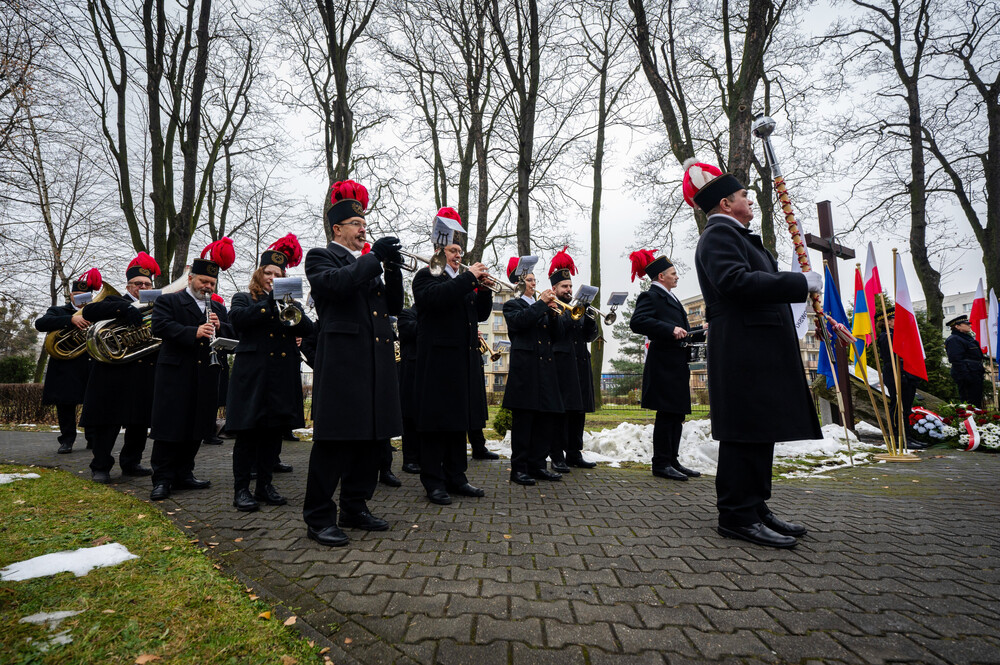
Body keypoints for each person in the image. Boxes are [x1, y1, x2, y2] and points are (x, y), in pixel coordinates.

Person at [687, 158, 823, 549]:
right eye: (744, 195)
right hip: (743, 346)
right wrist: (798, 281)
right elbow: (735, 282)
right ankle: (735, 515)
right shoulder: (718, 237)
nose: (751, 200)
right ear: (727, 203)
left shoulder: (740, 236)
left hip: (757, 344)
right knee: (744, 431)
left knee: (759, 429)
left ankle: (755, 504)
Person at [303, 180, 403, 547]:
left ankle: (355, 507)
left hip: (375, 362)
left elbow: (393, 306)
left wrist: (391, 270)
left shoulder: (368, 264)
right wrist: (374, 259)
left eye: (364, 225)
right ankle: (317, 517)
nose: (363, 230)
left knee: (370, 440)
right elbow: (334, 286)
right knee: (335, 442)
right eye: (357, 225)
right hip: (344, 363)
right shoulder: (321, 256)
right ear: (338, 229)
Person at [227, 234, 314, 512]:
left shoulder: (291, 304)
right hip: (253, 376)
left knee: (273, 433)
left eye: (278, 274)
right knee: (248, 433)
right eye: (268, 273)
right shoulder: (244, 298)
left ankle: (265, 485)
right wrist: (269, 303)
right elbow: (239, 322)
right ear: (259, 273)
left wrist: (292, 307)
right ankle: (241, 489)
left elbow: (308, 329)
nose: (272, 277)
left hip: (281, 376)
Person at [412, 207, 492, 505]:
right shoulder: (425, 276)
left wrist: (483, 289)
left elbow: (480, 314)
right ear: (439, 251)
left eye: (460, 250)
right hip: (437, 363)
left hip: (463, 362)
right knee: (436, 424)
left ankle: (457, 477)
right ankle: (434, 482)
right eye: (453, 250)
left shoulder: (464, 281)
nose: (458, 255)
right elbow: (435, 300)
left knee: (459, 423)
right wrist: (468, 279)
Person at [148, 238, 235, 501]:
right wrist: (193, 331)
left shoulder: (218, 307)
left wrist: (221, 327)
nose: (207, 287)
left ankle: (185, 473)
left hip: (206, 374)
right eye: (203, 282)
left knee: (198, 425)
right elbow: (159, 327)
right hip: (176, 373)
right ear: (191, 279)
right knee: (170, 427)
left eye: (212, 284)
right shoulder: (169, 302)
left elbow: (232, 336)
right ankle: (162, 478)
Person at [79, 253, 160, 482]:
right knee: (108, 422)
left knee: (140, 422)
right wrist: (123, 310)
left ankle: (131, 463)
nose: (142, 286)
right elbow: (88, 312)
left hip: (143, 372)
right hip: (112, 374)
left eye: (146, 284)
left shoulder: (156, 308)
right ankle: (101, 466)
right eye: (138, 284)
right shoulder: (114, 302)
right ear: (128, 286)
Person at [630, 250, 706, 482]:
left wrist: (700, 332)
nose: (677, 277)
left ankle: (672, 459)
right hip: (663, 363)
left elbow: (681, 331)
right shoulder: (650, 296)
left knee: (676, 415)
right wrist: (669, 329)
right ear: (661, 276)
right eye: (673, 273)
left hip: (677, 362)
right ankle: (660, 463)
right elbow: (637, 322)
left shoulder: (671, 298)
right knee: (666, 414)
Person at [502, 259, 564, 485]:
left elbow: (557, 337)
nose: (534, 284)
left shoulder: (543, 307)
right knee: (524, 422)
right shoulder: (513, 305)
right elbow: (520, 323)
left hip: (545, 370)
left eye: (535, 280)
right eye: (529, 280)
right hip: (525, 371)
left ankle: (538, 465)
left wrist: (556, 314)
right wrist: (541, 306)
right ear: (519, 284)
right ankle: (518, 469)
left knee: (544, 421)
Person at [34, 269, 100, 454]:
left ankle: (93, 439)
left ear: (91, 296)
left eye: (85, 295)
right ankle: (67, 440)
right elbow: (40, 324)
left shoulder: (97, 312)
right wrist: (71, 319)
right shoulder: (58, 311)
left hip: (90, 363)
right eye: (77, 295)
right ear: (70, 295)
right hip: (66, 366)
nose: (80, 298)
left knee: (92, 403)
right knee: (65, 405)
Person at [547, 247, 587, 474]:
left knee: (577, 412)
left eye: (570, 286)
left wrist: (588, 317)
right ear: (555, 288)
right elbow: (559, 331)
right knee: (561, 413)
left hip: (579, 364)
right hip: (561, 366)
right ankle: (557, 455)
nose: (569, 290)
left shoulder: (576, 308)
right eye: (564, 287)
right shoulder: (552, 308)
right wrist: (574, 314)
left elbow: (589, 335)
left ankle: (575, 453)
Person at [877, 307, 924, 449]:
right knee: (898, 407)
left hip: (906, 374)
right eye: (895, 319)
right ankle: (899, 437)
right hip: (896, 374)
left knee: (907, 408)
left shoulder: (898, 334)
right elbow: (891, 357)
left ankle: (908, 436)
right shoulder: (887, 336)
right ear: (888, 322)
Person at [396, 306, 422, 474]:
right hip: (411, 373)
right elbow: (411, 331)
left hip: (429, 371)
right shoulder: (407, 313)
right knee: (410, 418)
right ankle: (410, 460)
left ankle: (425, 457)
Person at [945, 314, 985, 408]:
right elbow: (956, 360)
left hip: (975, 373)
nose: (969, 325)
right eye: (966, 323)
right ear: (957, 326)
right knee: (969, 403)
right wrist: (966, 376)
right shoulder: (954, 339)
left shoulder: (966, 338)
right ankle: (970, 421)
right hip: (967, 374)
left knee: (976, 401)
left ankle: (977, 421)